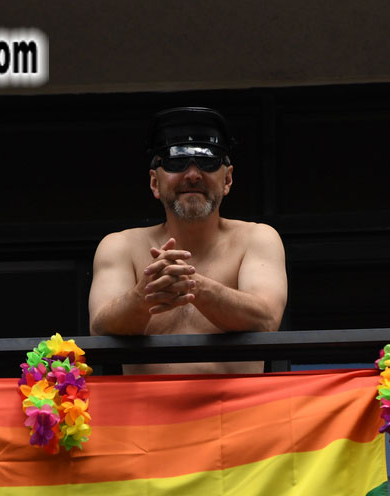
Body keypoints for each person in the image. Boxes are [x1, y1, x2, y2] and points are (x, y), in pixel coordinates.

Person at [88, 107, 288, 374]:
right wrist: (144, 295)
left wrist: (193, 285)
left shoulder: (258, 238)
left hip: (238, 410)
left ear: (227, 179)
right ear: (154, 183)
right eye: (175, 162)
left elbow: (266, 319)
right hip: (147, 412)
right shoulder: (120, 246)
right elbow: (99, 328)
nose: (192, 174)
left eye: (207, 162)